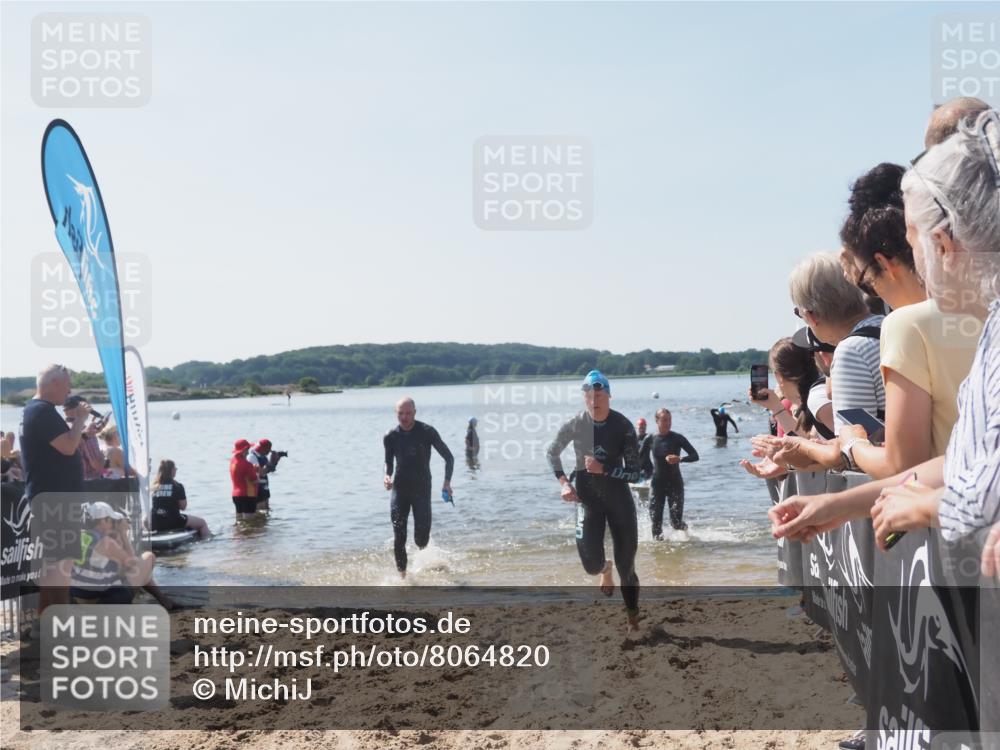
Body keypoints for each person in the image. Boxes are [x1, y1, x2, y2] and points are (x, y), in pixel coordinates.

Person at [769, 110, 1000, 561]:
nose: (912, 258)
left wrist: (927, 505)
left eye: (913, 239)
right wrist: (838, 504)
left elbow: (982, 496)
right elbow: (966, 466)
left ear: (944, 245)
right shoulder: (989, 329)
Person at [546, 371, 641, 632]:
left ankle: (633, 617)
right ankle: (604, 569)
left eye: (599, 394)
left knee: (627, 566)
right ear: (584, 398)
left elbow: (636, 472)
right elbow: (551, 452)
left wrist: (606, 469)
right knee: (590, 565)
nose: (594, 399)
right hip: (587, 500)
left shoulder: (623, 426)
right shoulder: (575, 424)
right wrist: (564, 483)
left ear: (609, 395)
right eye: (589, 395)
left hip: (618, 500)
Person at [19, 365, 87, 616]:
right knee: (59, 567)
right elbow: (68, 447)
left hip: (53, 500)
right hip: (54, 503)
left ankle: (45, 625)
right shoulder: (41, 411)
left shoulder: (37, 410)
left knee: (55, 567)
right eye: (67, 385)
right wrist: (79, 419)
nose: (70, 391)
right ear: (55, 383)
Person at [382, 397, 454, 577]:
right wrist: (387, 475)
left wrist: (446, 482)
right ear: (395, 413)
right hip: (400, 489)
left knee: (421, 539)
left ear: (415, 412)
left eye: (408, 413)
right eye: (400, 413)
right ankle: (403, 577)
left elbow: (449, 457)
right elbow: (388, 463)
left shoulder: (427, 432)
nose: (404, 417)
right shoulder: (390, 436)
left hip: (421, 489)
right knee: (399, 536)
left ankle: (428, 561)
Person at [69, 501, 154, 604]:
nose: (112, 524)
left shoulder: (80, 536)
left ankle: (164, 599)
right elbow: (132, 563)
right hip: (102, 600)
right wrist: (123, 534)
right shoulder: (106, 542)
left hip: (78, 594)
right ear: (103, 521)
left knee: (120, 570)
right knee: (148, 557)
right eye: (111, 521)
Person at [648, 408, 698, 536]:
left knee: (675, 523)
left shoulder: (677, 438)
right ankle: (659, 554)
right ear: (657, 421)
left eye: (669, 419)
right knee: (656, 523)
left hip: (675, 484)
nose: (668, 423)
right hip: (657, 484)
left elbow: (695, 455)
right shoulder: (651, 439)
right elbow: (640, 459)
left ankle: (688, 535)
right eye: (664, 420)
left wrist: (679, 459)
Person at [151, 459, 210, 538]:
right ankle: (207, 543)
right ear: (171, 470)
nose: (176, 470)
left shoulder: (154, 486)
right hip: (173, 521)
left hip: (155, 522)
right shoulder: (177, 486)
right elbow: (183, 507)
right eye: (175, 468)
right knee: (202, 523)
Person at [248, 439, 285, 512]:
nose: (269, 452)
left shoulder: (263, 456)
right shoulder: (252, 457)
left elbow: (269, 470)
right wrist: (271, 462)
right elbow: (260, 472)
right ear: (264, 449)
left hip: (264, 485)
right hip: (256, 487)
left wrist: (275, 462)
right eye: (268, 450)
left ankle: (265, 523)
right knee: (260, 509)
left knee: (266, 509)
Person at [230, 438, 259, 519]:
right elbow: (255, 481)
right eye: (248, 449)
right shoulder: (247, 464)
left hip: (236, 495)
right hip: (248, 495)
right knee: (249, 523)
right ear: (245, 449)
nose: (248, 451)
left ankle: (237, 532)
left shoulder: (232, 461)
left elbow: (240, 474)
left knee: (239, 520)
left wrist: (252, 469)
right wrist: (257, 473)